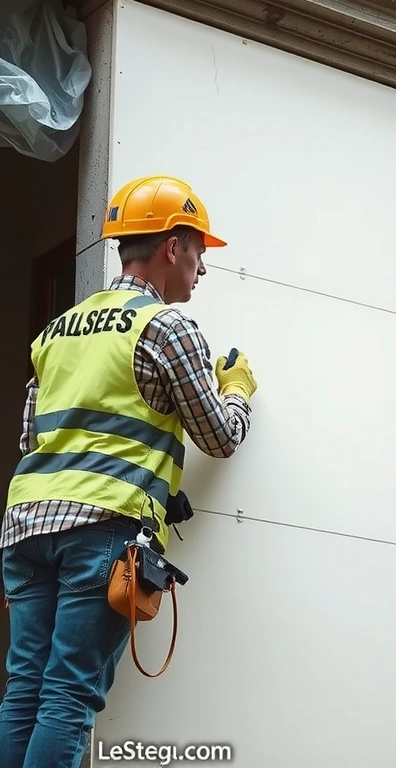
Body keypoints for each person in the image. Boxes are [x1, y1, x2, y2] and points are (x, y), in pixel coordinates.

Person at [0, 175, 258, 768]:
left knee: (25, 691)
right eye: (198, 250)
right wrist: (237, 390)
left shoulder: (57, 332)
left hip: (26, 527)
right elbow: (219, 437)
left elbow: (30, 438)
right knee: (68, 694)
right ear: (172, 246)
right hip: (102, 526)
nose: (202, 266)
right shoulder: (166, 327)